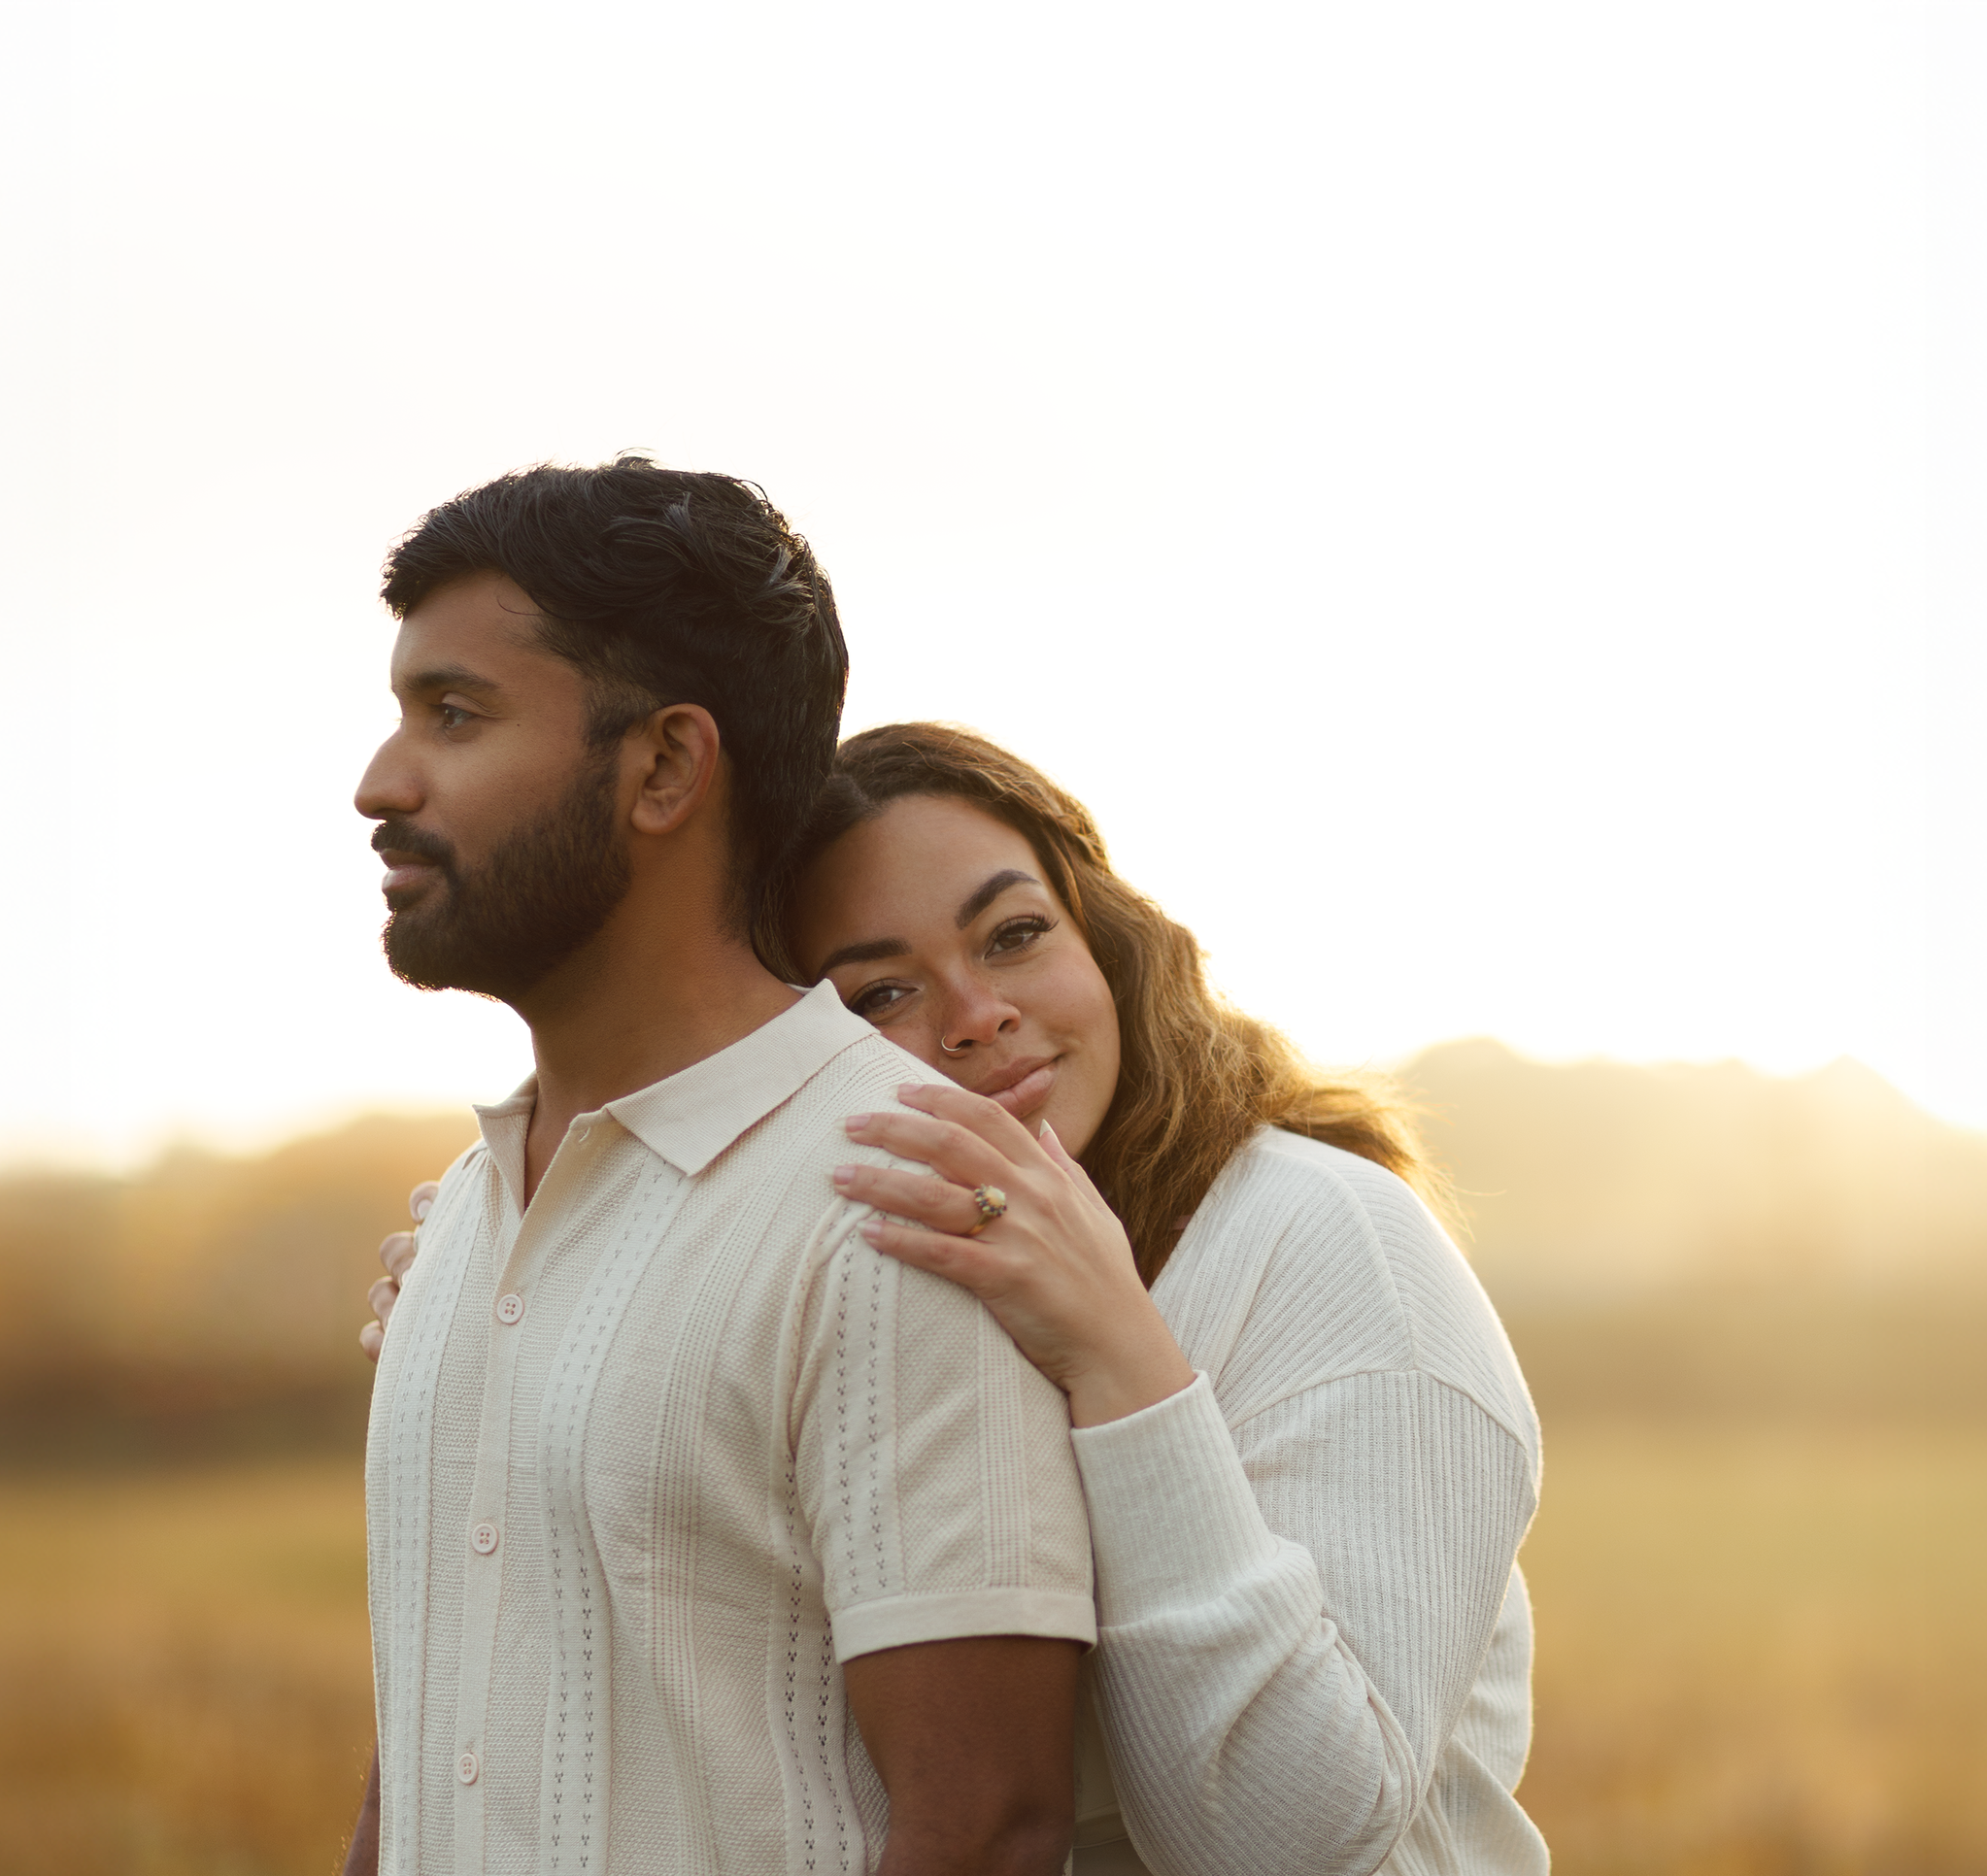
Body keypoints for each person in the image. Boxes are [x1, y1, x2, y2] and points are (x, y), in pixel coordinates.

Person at [368, 723, 1547, 1875]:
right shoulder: (874, 1271)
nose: (976, 1014)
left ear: (1104, 937)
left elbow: (1296, 1842)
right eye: (880, 995)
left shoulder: (1322, 1239)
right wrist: (511, 1320)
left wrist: (1124, 1362)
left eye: (1015, 934)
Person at [344, 465, 1095, 1876]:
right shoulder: (461, 1220)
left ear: (667, 769)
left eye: (455, 715)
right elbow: (444, 1736)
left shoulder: (897, 1198)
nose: (383, 783)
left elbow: (987, 1830)